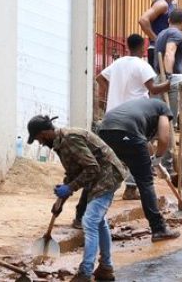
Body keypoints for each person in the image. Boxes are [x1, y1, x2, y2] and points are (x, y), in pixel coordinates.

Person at [28, 115, 127, 282]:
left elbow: (92, 168)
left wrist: (70, 187)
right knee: (98, 221)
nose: (40, 143)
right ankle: (106, 268)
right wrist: (61, 199)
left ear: (44, 133)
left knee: (89, 221)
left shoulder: (70, 139)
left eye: (39, 139)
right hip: (98, 179)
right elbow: (74, 172)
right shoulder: (61, 143)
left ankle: (85, 272)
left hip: (107, 176)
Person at [97, 98, 181, 242]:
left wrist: (154, 162)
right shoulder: (163, 109)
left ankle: (80, 217)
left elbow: (145, 144)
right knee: (145, 182)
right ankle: (158, 229)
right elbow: (164, 138)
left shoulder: (142, 109)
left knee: (99, 176)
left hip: (104, 131)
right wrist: (159, 157)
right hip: (128, 132)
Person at [98, 34, 173, 114]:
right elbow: (153, 90)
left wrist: (112, 93)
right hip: (134, 113)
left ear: (128, 47)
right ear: (143, 48)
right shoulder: (143, 65)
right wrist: (167, 84)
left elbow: (99, 78)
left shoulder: (117, 63)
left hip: (113, 113)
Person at [153, 7, 182, 122]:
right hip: (169, 81)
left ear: (169, 20)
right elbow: (169, 53)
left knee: (160, 118)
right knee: (169, 120)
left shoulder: (162, 33)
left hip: (159, 78)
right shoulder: (176, 34)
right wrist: (169, 78)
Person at [139, 0, 180, 64]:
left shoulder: (169, 4)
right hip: (158, 51)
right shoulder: (162, 4)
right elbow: (143, 20)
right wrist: (156, 39)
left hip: (164, 50)